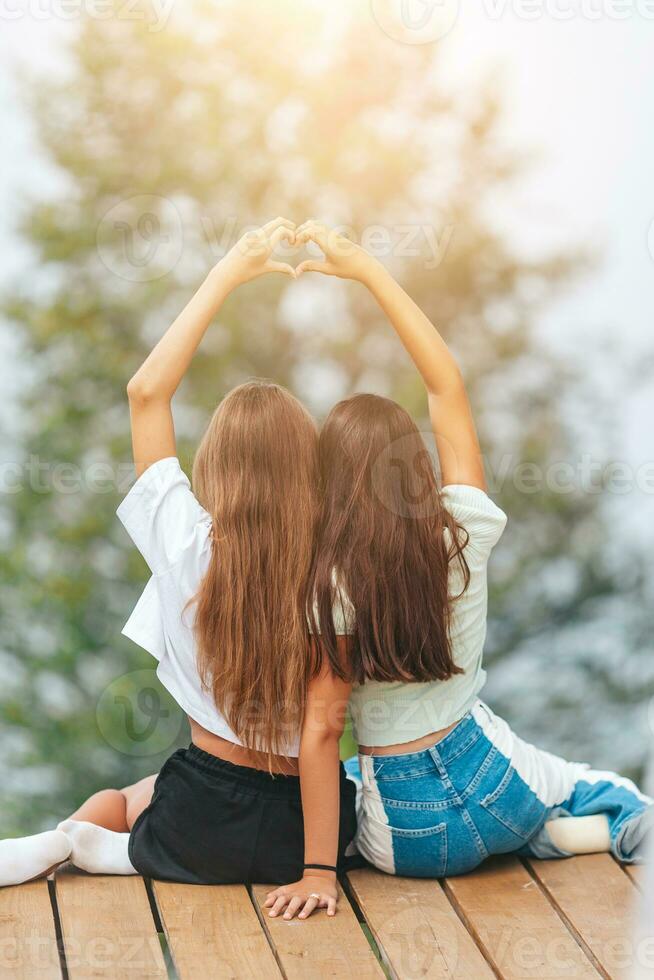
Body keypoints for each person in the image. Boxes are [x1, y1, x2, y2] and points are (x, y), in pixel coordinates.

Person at [264, 222, 653, 915]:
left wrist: (319, 873)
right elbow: (445, 384)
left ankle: (550, 838)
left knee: (333, 776)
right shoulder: (461, 527)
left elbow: (321, 727)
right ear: (413, 466)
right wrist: (370, 272)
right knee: (602, 789)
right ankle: (589, 831)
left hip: (405, 841)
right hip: (501, 792)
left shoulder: (328, 588)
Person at [0, 218, 356, 906]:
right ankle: (92, 843)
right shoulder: (334, 574)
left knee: (123, 797)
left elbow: (145, 393)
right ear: (306, 470)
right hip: (301, 835)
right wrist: (318, 871)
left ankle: (73, 839)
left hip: (195, 819)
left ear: (216, 466)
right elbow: (325, 727)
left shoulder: (185, 540)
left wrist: (225, 273)